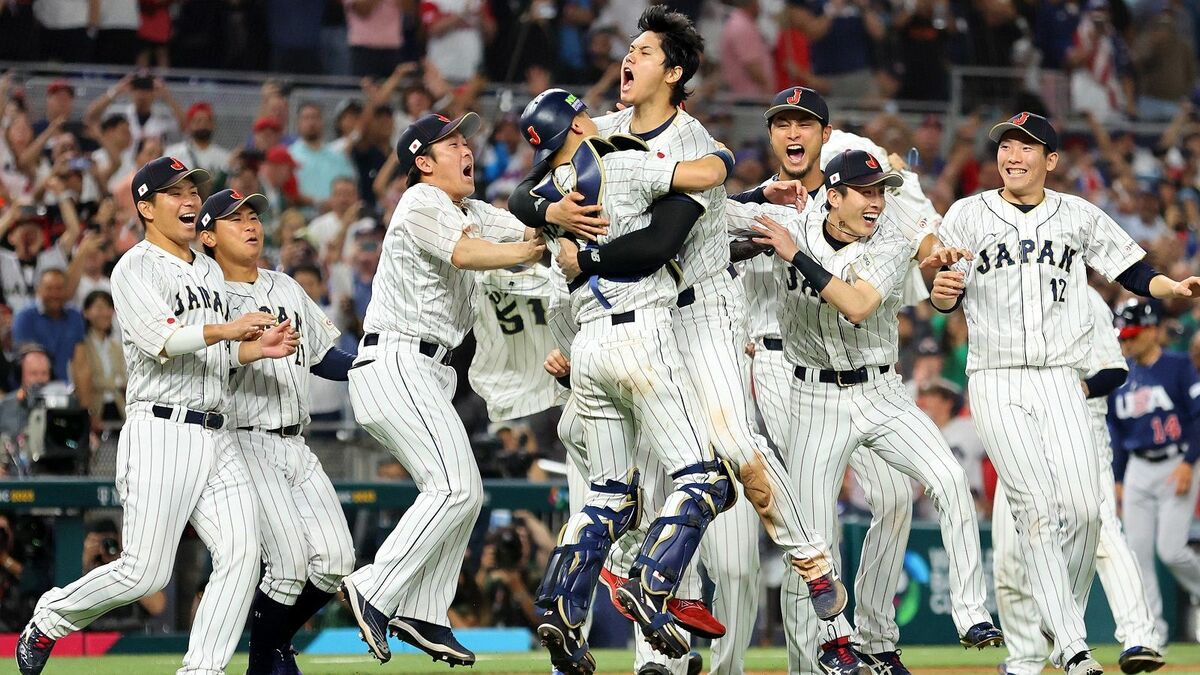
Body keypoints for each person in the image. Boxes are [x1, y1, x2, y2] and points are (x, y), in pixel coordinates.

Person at [512, 88, 808, 675]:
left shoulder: (548, 191)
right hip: (642, 335)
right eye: (583, 114)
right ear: (576, 123)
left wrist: (547, 213)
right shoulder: (617, 157)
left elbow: (523, 198)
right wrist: (724, 157)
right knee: (706, 480)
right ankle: (654, 585)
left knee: (610, 496)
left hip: (586, 347)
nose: (596, 116)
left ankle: (560, 606)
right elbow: (698, 181)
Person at [926, 111, 1200, 675]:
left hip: (1059, 377)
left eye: (1027, 147)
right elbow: (942, 288)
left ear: (1051, 160)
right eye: (1006, 145)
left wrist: (1169, 286)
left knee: (1084, 512)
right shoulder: (969, 214)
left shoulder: (1075, 214)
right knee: (1034, 507)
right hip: (997, 375)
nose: (1013, 155)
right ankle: (1073, 648)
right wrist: (943, 291)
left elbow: (1131, 267)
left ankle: (1061, 616)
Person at [15, 156, 299, 675]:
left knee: (241, 554)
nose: (190, 199)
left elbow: (216, 351)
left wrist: (258, 350)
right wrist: (229, 330)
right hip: (161, 431)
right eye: (174, 192)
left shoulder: (210, 269)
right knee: (145, 574)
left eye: (192, 189)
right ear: (145, 207)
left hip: (218, 432)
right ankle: (51, 617)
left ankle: (201, 670)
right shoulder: (134, 267)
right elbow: (163, 340)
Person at [748, 149, 1001, 674]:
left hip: (881, 392)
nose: (876, 201)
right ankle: (836, 645)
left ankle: (971, 612)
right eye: (865, 191)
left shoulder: (888, 241)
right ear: (833, 196)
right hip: (813, 399)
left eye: (881, 191)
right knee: (816, 536)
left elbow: (859, 304)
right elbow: (714, 237)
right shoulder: (794, 224)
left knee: (950, 479)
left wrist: (795, 255)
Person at [732, 86, 942, 675]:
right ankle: (817, 657)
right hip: (778, 365)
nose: (793, 133)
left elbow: (921, 230)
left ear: (827, 136)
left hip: (855, 373)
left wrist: (935, 255)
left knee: (897, 495)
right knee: (812, 526)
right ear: (771, 136)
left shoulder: (856, 198)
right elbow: (704, 231)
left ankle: (873, 639)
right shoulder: (767, 204)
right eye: (783, 124)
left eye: (806, 123)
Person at [337, 112, 545, 666]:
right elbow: (467, 254)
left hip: (429, 371)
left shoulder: (469, 210)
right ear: (424, 163)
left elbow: (529, 234)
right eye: (451, 142)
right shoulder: (421, 201)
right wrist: (527, 251)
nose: (465, 149)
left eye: (465, 141)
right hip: (397, 358)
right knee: (453, 488)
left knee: (466, 493)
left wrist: (554, 218)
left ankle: (425, 611)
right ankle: (375, 588)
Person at [197, 188, 357, 674]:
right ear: (207, 237)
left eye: (253, 216)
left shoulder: (285, 286)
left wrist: (373, 364)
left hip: (296, 442)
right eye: (234, 219)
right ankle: (266, 660)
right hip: (243, 437)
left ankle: (269, 647)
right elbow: (198, 370)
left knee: (334, 562)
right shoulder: (205, 296)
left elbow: (323, 357)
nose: (250, 225)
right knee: (287, 566)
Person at [994, 288, 1164, 675]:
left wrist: (1071, 392)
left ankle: (1140, 636)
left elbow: (1114, 368)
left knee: (1102, 534)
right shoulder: (1002, 289)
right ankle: (1026, 657)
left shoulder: (1083, 297)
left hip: (1079, 424)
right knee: (1008, 552)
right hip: (1017, 427)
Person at [1109, 299, 1200, 655]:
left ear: (1151, 330)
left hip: (1176, 460)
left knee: (1172, 550)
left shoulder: (1178, 366)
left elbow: (1197, 417)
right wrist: (1117, 477)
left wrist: (1189, 461)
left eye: (1131, 334)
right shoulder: (1119, 373)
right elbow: (1115, 431)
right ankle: (1151, 634)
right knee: (1137, 555)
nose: (1126, 342)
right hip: (1137, 468)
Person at [11, 269, 85, 383]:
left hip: (63, 389)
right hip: (31, 389)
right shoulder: (24, 317)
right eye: (49, 288)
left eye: (59, 289)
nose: (54, 294)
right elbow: (25, 361)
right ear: (39, 290)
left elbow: (81, 363)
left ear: (66, 290)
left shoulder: (75, 317)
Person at [71, 290, 127, 434]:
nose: (105, 313)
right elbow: (85, 380)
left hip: (119, 407)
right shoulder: (81, 347)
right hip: (94, 409)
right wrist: (115, 384)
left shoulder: (117, 346)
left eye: (109, 308)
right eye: (99, 307)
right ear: (86, 312)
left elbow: (125, 379)